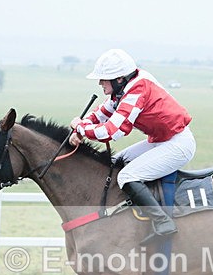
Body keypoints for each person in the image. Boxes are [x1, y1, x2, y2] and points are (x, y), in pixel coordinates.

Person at [69, 49, 195, 243]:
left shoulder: (137, 90)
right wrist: (79, 129)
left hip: (178, 145)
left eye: (103, 79)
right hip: (162, 140)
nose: (99, 83)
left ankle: (163, 222)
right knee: (111, 163)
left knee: (127, 175)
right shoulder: (124, 88)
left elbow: (112, 132)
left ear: (119, 79)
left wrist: (81, 127)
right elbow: (100, 114)